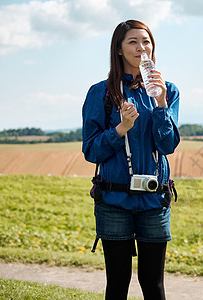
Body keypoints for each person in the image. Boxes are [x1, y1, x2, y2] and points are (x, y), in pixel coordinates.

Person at [82, 19, 180, 300]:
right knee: (117, 284)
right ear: (119, 49)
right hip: (114, 200)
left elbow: (168, 144)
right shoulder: (100, 93)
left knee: (153, 284)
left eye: (146, 41)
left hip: (154, 199)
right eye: (133, 42)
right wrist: (120, 129)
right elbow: (91, 150)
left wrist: (161, 104)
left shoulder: (168, 90)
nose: (141, 48)